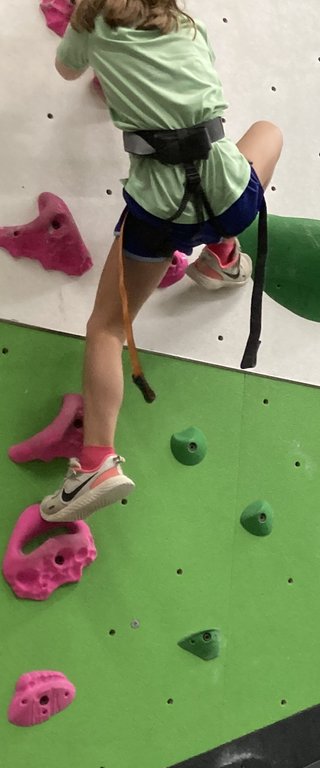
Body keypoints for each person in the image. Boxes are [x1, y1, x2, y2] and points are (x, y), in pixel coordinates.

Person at [43, 0, 282, 522]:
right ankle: (221, 252)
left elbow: (66, 69)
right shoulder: (188, 26)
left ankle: (96, 460)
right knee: (268, 131)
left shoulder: (91, 23)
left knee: (107, 327)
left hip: (160, 213)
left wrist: (98, 59)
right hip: (231, 194)